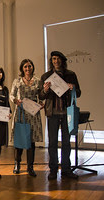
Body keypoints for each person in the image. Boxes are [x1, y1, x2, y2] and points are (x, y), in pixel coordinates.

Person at [39, 51, 81, 180]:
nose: (55, 61)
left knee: (66, 143)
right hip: (52, 113)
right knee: (52, 142)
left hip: (66, 113)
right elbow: (40, 95)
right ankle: (53, 169)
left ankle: (66, 169)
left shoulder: (71, 75)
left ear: (62, 60)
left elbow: (78, 93)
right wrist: (45, 90)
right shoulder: (46, 76)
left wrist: (72, 87)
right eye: (53, 59)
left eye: (57, 59)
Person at [10, 59, 43, 177]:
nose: (28, 69)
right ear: (22, 68)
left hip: (33, 114)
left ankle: (30, 166)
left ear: (32, 67)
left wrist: (41, 103)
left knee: (31, 141)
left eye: (29, 66)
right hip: (21, 113)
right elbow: (11, 94)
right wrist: (15, 100)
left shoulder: (38, 81)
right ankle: (17, 164)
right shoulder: (17, 81)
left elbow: (41, 95)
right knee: (19, 139)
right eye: (25, 67)